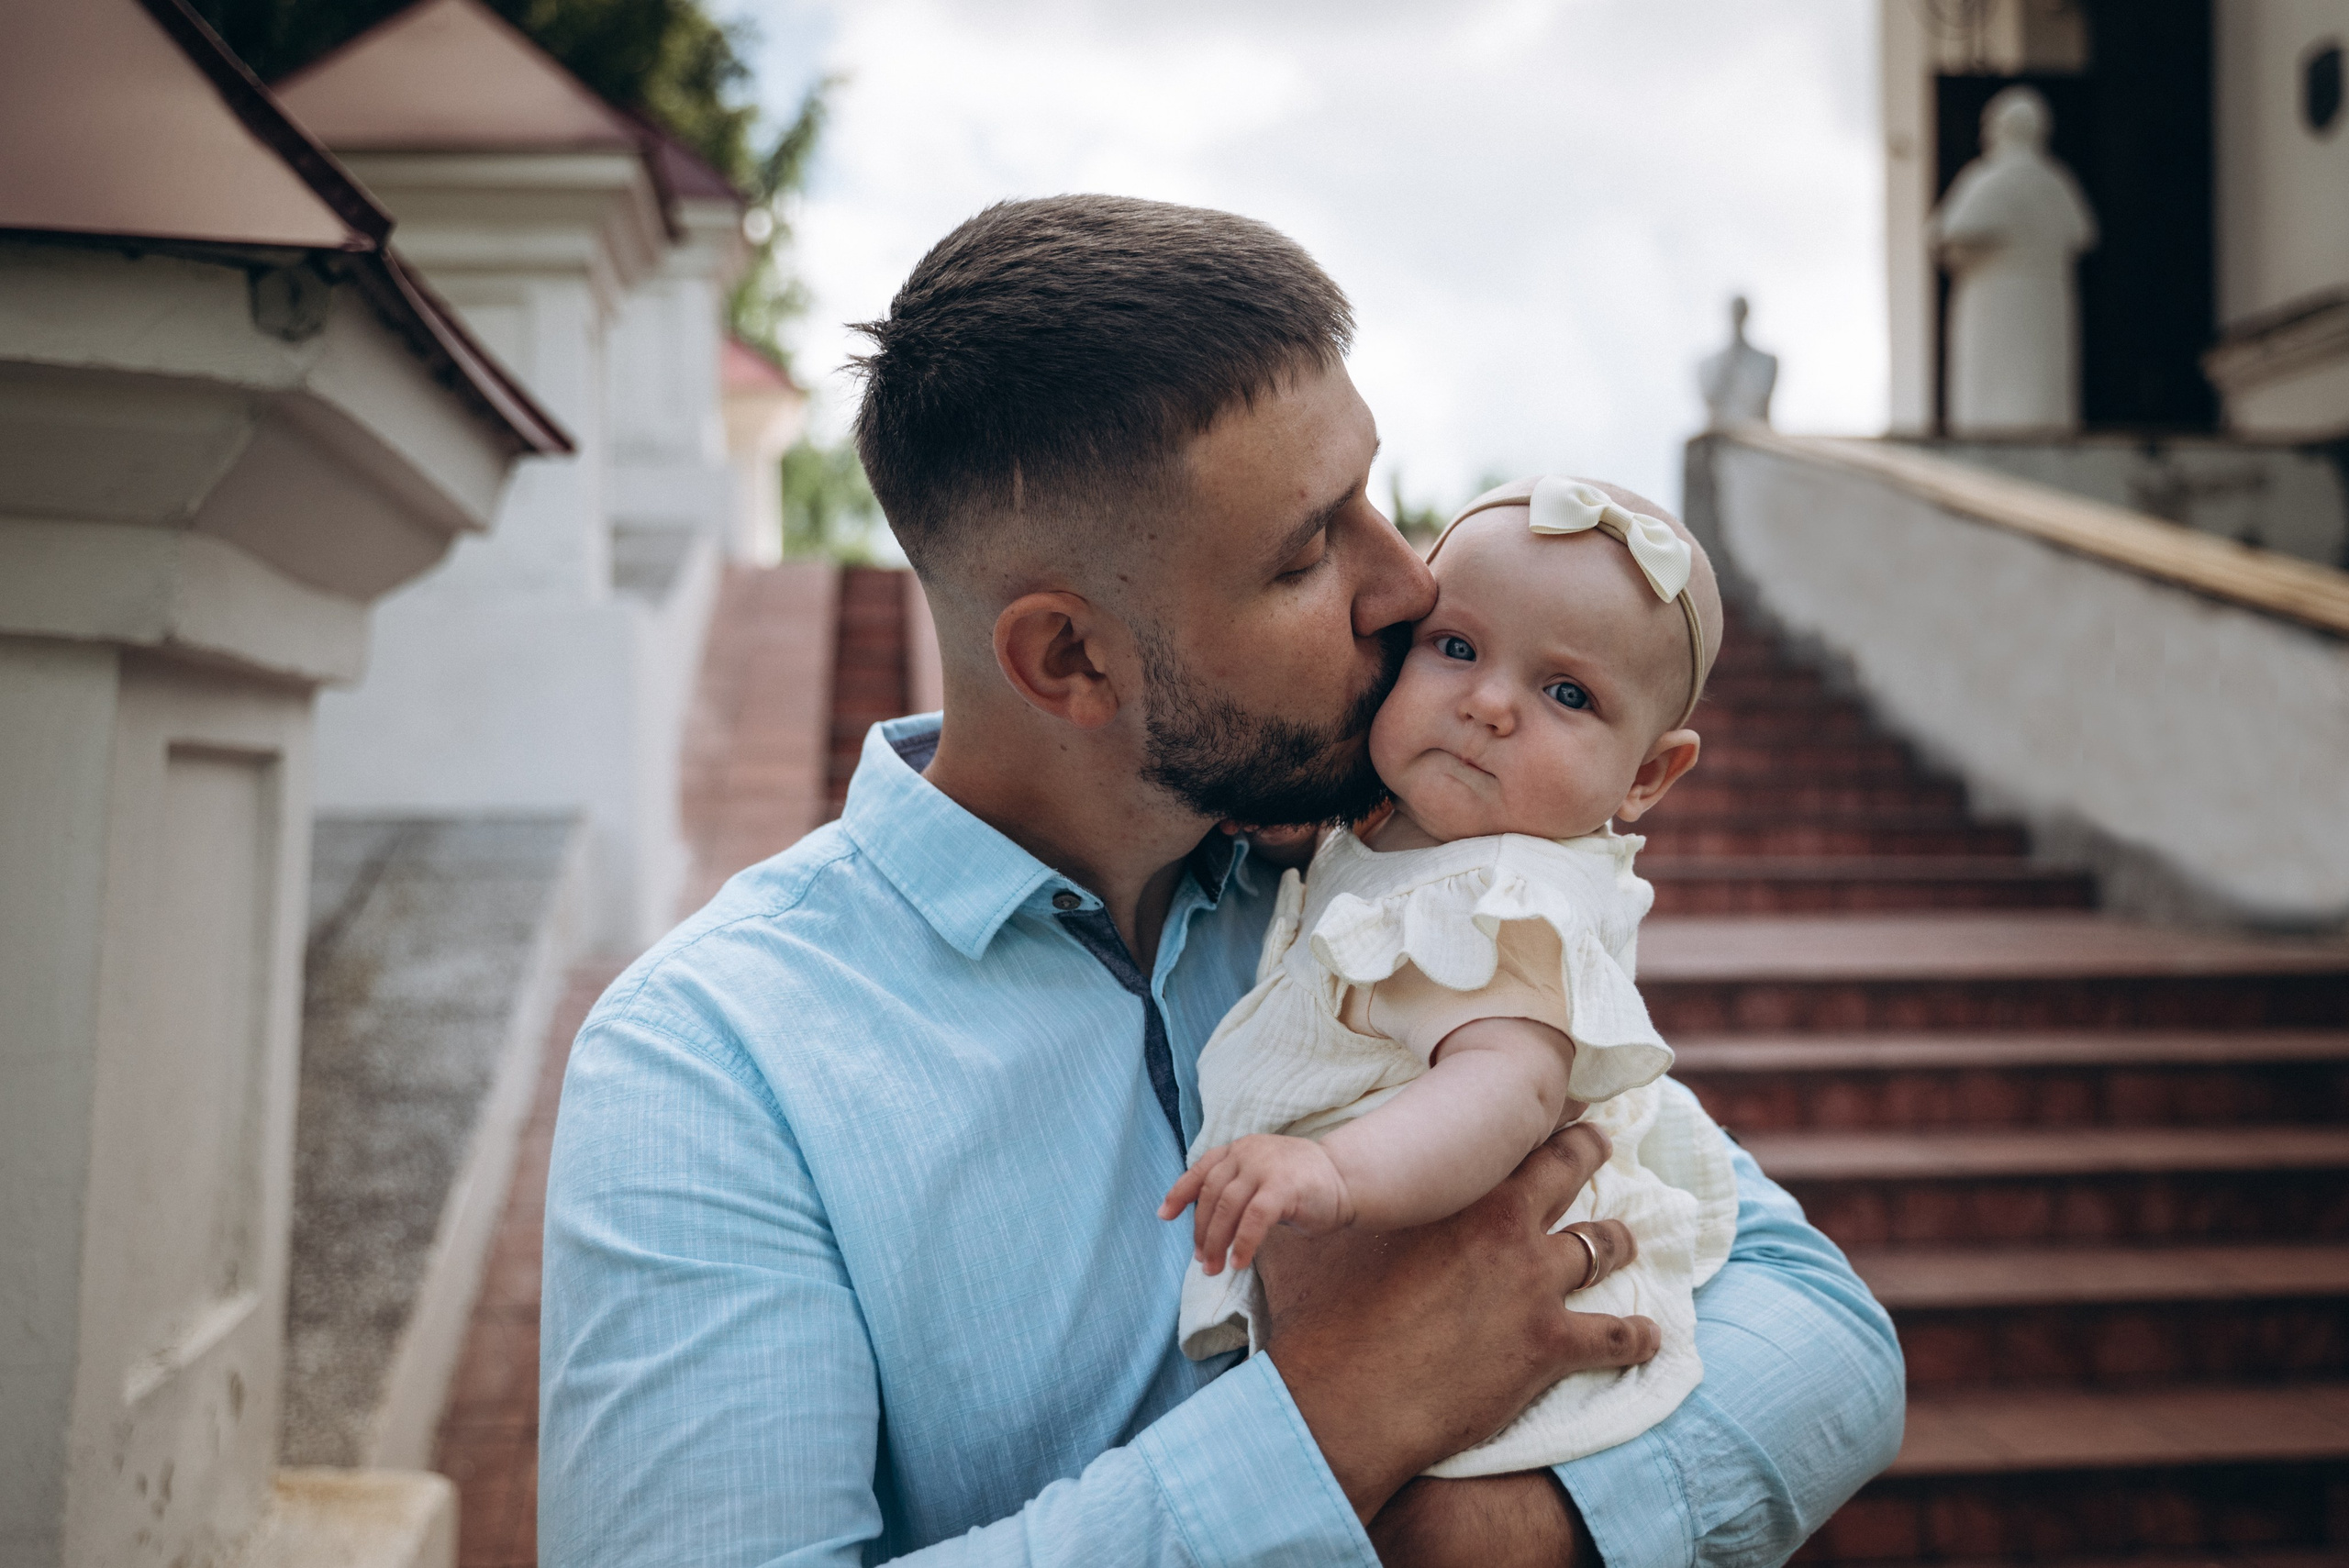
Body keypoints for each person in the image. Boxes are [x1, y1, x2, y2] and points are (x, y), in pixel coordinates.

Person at [539, 195, 1905, 1568]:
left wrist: (1510, 1529)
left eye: (1376, 496)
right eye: (1309, 550)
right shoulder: (714, 1061)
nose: (1408, 585)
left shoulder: (1394, 881)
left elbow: (1825, 1330)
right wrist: (1339, 1419)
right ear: (1071, 658)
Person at [1165, 475, 1742, 1480]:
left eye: (1568, 694)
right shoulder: (1414, 829)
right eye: (1457, 647)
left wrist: (1337, 1172)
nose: (1487, 703)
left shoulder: (1510, 900)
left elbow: (1506, 1088)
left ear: (1648, 775)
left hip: (1464, 1328)